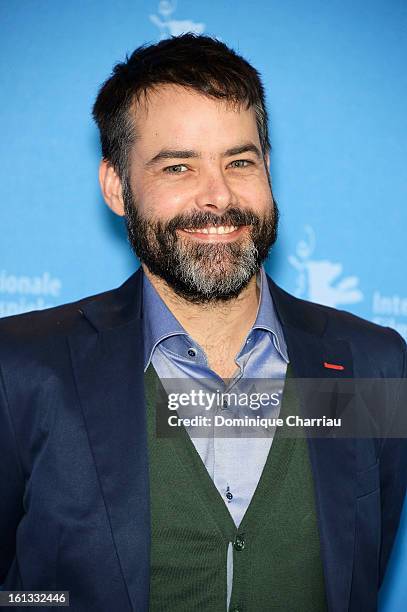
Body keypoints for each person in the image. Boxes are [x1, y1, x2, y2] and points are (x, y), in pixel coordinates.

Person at [0, 34, 406, 612]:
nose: (218, 196)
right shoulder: (22, 370)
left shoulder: (375, 366)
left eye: (240, 161)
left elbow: (362, 566)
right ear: (117, 186)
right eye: (178, 167)